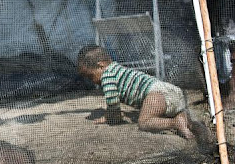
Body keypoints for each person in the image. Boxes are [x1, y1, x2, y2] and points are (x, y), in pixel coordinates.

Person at [77, 44, 205, 139]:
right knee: (174, 113)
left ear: (101, 66)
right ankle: (191, 125)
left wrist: (112, 117)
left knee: (144, 122)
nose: (92, 81)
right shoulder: (118, 68)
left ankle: (175, 123)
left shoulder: (107, 75)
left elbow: (113, 101)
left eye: (91, 76)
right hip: (173, 92)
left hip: (156, 94)